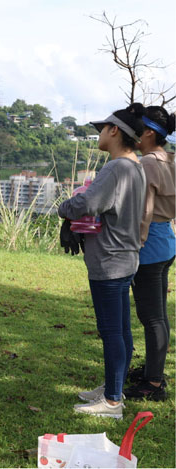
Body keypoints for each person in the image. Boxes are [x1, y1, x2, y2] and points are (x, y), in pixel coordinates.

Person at [59, 103, 146, 419]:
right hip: (127, 257)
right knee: (121, 329)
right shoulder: (136, 166)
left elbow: (89, 202)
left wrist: (64, 209)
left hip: (109, 260)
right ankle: (114, 387)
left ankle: (111, 402)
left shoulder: (115, 168)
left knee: (111, 331)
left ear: (114, 131)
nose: (99, 135)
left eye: (101, 129)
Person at [124, 105, 175, 401]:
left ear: (148, 134)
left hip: (150, 245)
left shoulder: (147, 163)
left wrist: (136, 244)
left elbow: (145, 211)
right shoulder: (169, 159)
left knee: (151, 316)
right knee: (159, 315)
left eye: (137, 129)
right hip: (167, 240)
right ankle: (153, 372)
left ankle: (153, 383)